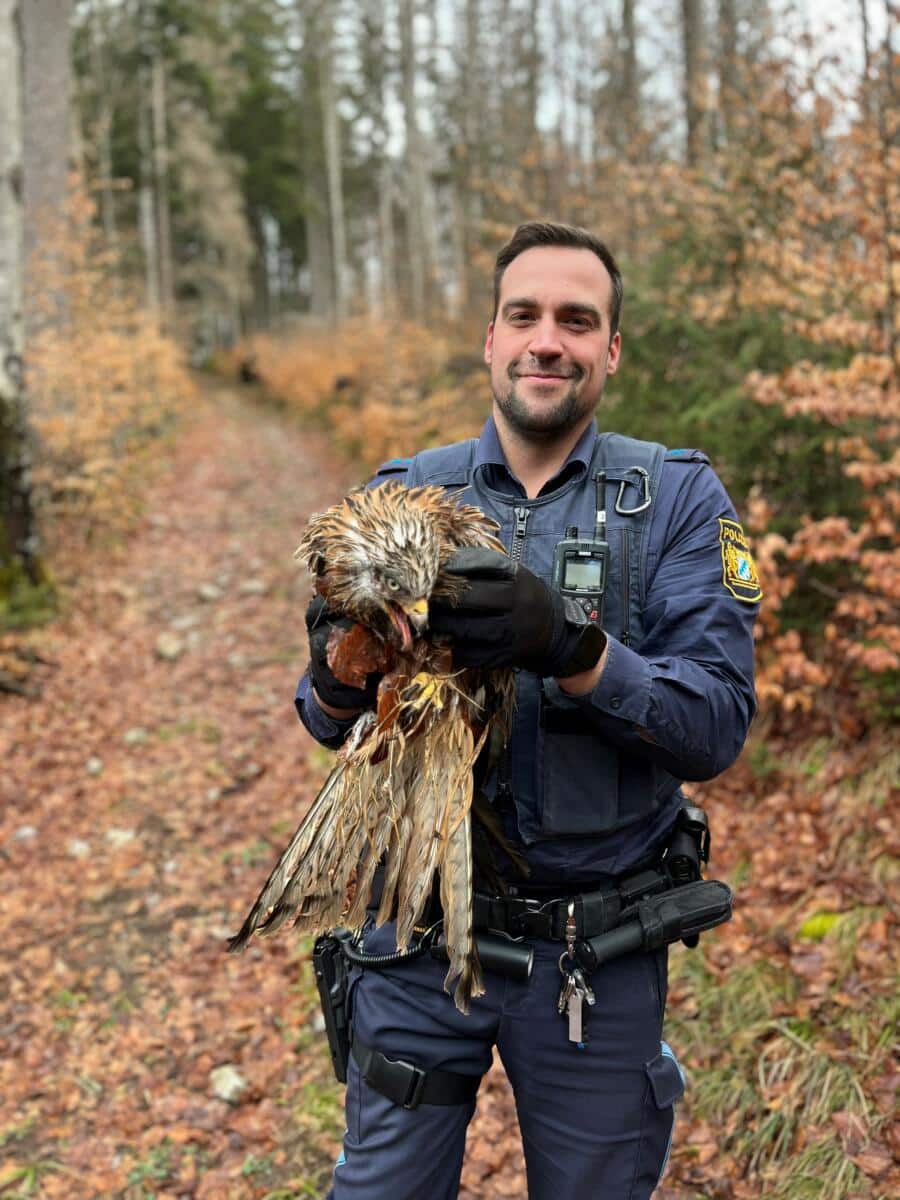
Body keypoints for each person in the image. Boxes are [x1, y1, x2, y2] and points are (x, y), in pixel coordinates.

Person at [294, 221, 759, 1199]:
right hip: (418, 944)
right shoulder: (400, 494)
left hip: (597, 950)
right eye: (525, 315)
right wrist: (352, 655)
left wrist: (576, 651)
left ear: (610, 349)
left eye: (577, 320)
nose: (549, 339)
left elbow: (714, 725)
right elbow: (323, 713)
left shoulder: (674, 501)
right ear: (492, 339)